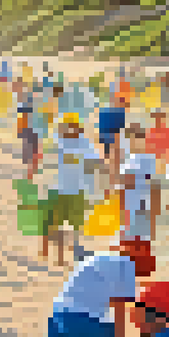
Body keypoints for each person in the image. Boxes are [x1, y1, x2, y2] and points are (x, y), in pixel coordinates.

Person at [46, 113, 101, 266]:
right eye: (67, 126)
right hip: (60, 190)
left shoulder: (83, 143)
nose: (70, 130)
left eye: (73, 126)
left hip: (77, 190)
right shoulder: (61, 142)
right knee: (60, 224)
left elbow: (95, 160)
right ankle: (61, 256)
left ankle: (76, 250)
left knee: (76, 224)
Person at [118, 125, 160, 243]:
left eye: (137, 136)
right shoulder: (125, 162)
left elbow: (154, 189)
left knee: (141, 245)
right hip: (128, 213)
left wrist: (153, 220)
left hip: (142, 211)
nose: (132, 141)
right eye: (130, 137)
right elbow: (122, 189)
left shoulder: (148, 160)